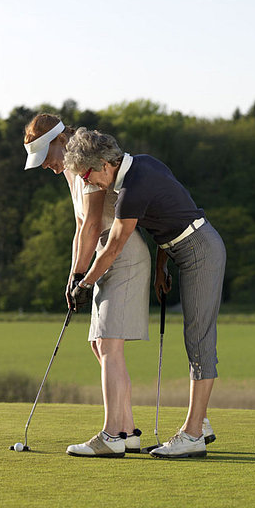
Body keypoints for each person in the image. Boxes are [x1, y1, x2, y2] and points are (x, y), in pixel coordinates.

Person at [65, 128, 226, 459]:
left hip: (201, 250)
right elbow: (170, 212)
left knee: (199, 339)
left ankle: (193, 434)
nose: (88, 182)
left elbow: (112, 249)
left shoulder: (132, 189)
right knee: (196, 338)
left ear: (105, 164)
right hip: (186, 247)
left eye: (88, 174)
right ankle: (201, 423)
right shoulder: (143, 164)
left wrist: (83, 283)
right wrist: (160, 265)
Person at [23, 114, 151, 458]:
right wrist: (73, 274)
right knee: (99, 345)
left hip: (122, 256)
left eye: (46, 158)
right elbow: (81, 224)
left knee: (109, 345)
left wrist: (83, 276)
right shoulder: (68, 169)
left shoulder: (86, 160)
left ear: (59, 142)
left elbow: (96, 222)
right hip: (101, 259)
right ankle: (127, 431)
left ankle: (112, 435)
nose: (47, 167)